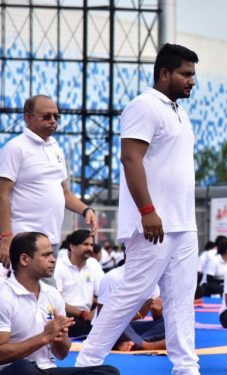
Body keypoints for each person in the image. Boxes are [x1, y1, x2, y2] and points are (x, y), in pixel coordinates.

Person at [75, 43, 201, 375]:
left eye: (193, 75)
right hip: (154, 220)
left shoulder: (179, 111)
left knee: (181, 298)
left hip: (184, 222)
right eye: (186, 74)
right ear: (164, 73)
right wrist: (147, 210)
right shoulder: (143, 106)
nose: (192, 81)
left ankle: (186, 367)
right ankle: (87, 361)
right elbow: (131, 159)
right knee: (133, 292)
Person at [0, 95, 98, 275]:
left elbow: (65, 193)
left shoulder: (56, 149)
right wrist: (6, 238)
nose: (53, 121)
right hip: (23, 239)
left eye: (56, 116)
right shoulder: (15, 148)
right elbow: (2, 194)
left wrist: (86, 210)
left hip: (50, 239)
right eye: (46, 116)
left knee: (44, 297)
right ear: (28, 118)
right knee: (23, 295)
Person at [0, 232, 119, 375]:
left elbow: (61, 355)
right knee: (24, 368)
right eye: (46, 255)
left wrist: (60, 339)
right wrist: (45, 337)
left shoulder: (52, 294)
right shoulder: (4, 296)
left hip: (48, 370)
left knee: (108, 371)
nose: (53, 259)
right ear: (25, 259)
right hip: (15, 371)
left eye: (52, 254)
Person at [96, 264, 166, 352]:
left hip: (139, 329)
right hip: (115, 328)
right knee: (115, 323)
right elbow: (103, 318)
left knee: (168, 324)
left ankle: (129, 342)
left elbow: (156, 317)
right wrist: (139, 314)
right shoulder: (112, 278)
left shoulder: (152, 278)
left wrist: (158, 309)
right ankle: (146, 345)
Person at [53, 230, 104, 338]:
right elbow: (57, 300)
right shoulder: (60, 265)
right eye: (85, 244)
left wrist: (94, 313)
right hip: (65, 315)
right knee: (74, 326)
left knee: (116, 323)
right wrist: (82, 314)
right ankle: (119, 341)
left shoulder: (93, 264)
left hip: (88, 315)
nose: (90, 248)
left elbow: (104, 293)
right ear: (72, 246)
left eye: (91, 245)